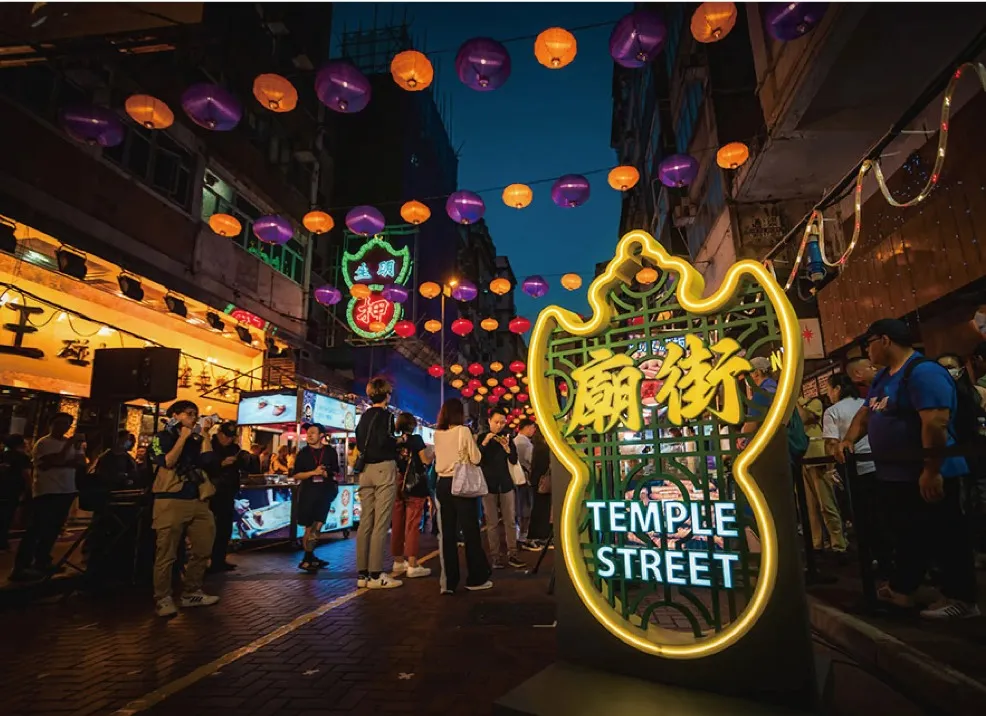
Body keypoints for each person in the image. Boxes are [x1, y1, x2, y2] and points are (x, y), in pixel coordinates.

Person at [836, 319, 979, 619]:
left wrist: (931, 470)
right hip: (896, 476)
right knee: (908, 536)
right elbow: (865, 413)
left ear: (884, 340)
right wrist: (848, 440)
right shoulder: (883, 378)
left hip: (932, 473)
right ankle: (905, 590)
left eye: (868, 343)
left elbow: (936, 422)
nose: (867, 351)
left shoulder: (923, 372)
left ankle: (961, 598)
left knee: (947, 536)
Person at [147, 401, 219, 617]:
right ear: (175, 416)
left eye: (196, 414)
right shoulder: (162, 438)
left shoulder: (197, 438)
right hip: (170, 500)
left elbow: (209, 461)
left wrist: (205, 433)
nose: (194, 418)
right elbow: (167, 461)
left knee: (204, 547)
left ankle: (192, 591)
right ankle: (163, 597)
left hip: (198, 499)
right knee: (166, 552)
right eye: (189, 414)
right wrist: (182, 437)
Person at [10, 413, 87, 582]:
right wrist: (68, 449)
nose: (63, 427)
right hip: (47, 491)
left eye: (66, 424)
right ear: (51, 424)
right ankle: (21, 566)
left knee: (53, 529)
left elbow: (81, 462)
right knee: (37, 528)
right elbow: (54, 462)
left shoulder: (72, 445)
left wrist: (67, 457)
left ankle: (42, 561)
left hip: (66, 490)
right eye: (59, 423)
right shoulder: (44, 443)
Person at [433, 398, 492, 593]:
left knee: (447, 535)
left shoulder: (438, 434)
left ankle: (449, 583)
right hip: (461, 484)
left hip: (442, 484)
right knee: (470, 532)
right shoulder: (464, 431)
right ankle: (475, 578)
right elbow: (476, 458)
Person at [354, 377, 401, 589]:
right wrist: (398, 442)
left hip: (365, 472)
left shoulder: (364, 417)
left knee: (366, 522)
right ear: (387, 395)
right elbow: (386, 440)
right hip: (383, 469)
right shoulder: (387, 416)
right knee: (381, 523)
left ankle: (362, 574)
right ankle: (375, 574)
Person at [291, 422, 340, 573]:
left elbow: (336, 471)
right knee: (308, 528)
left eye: (313, 432)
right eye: (308, 432)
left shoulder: (330, 451)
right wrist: (313, 472)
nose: (309, 435)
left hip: (324, 493)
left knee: (317, 527)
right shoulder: (303, 453)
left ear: (321, 435)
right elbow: (296, 475)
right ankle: (307, 558)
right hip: (307, 493)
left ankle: (310, 557)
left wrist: (326, 473)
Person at [479, 409, 524, 569]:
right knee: (491, 523)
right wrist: (484, 443)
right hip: (488, 485)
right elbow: (477, 459)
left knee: (510, 521)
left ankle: (512, 553)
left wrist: (507, 449)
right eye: (497, 422)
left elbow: (513, 460)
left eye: (502, 422)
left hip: (505, 484)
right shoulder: (482, 437)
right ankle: (495, 556)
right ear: (489, 421)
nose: (499, 425)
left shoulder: (507, 437)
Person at [802, 395, 847, 554]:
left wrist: (793, 401)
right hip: (804, 460)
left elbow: (804, 417)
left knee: (826, 504)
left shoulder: (813, 402)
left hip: (819, 459)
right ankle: (818, 543)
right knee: (811, 508)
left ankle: (839, 544)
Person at [391, 412, 433, 579]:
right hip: (413, 485)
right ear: (413, 425)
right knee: (412, 523)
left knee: (397, 522)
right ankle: (413, 564)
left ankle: (398, 561)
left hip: (396, 483)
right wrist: (433, 455)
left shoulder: (394, 442)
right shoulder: (416, 440)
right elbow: (425, 461)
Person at [208, 422, 252, 573]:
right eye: (226, 436)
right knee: (209, 529)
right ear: (219, 433)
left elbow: (245, 466)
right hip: (211, 493)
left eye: (232, 437)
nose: (229, 440)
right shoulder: (209, 445)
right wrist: (221, 463)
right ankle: (205, 562)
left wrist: (244, 459)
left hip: (228, 492)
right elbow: (203, 465)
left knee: (224, 528)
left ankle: (219, 560)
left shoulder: (235, 449)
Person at [0, 435, 31, 552]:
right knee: (7, 516)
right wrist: (30, 489)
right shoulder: (22, 457)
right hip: (13, 489)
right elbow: (26, 474)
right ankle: (2, 543)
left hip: (3, 488)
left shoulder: (3, 455)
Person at [525, 428, 553, 548]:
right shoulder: (544, 448)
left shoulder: (537, 447)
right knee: (542, 509)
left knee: (538, 508)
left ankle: (537, 535)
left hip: (537, 480)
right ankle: (540, 536)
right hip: (543, 481)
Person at [513, 419, 537, 547]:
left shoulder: (515, 441)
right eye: (533, 427)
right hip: (525, 479)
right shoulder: (526, 444)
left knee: (518, 508)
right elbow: (531, 461)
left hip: (515, 479)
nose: (534, 430)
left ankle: (517, 536)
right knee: (526, 508)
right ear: (527, 427)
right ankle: (522, 537)